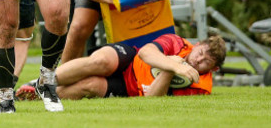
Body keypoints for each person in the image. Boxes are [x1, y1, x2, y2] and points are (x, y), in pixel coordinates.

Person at [53, 34, 226, 99]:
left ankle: (41, 95)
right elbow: (145, 52)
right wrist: (176, 65)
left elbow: (152, 97)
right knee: (101, 62)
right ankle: (42, 82)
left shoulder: (201, 87)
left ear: (213, 69)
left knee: (90, 85)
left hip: (130, 88)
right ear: (197, 45)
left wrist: (171, 69)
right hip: (131, 58)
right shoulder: (177, 42)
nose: (198, 60)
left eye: (206, 62)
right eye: (200, 52)